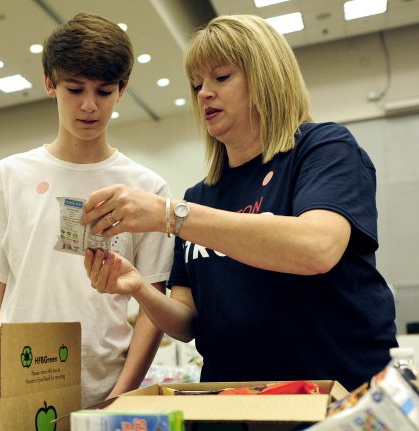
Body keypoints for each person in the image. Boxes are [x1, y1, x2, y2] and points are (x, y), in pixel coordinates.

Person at [83, 14, 396, 390]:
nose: (204, 93)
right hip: (234, 403)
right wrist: (138, 289)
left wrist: (171, 216)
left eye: (221, 77)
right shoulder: (200, 197)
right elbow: (187, 323)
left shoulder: (323, 150)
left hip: (333, 397)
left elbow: (317, 248)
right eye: (197, 84)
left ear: (266, 77)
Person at [0, 13, 174, 407]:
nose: (90, 106)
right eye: (75, 89)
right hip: (19, 389)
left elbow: (152, 306)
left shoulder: (146, 188)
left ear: (122, 89)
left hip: (105, 387)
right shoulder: (11, 175)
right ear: (50, 84)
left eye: (104, 91)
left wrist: (121, 394)